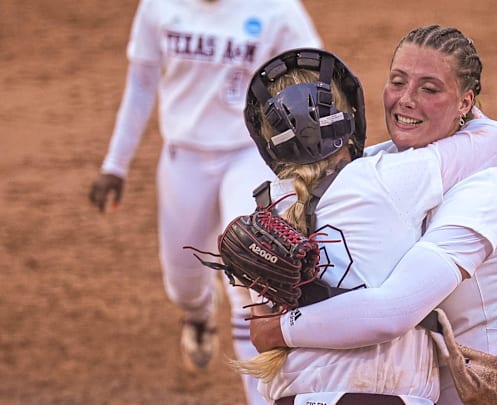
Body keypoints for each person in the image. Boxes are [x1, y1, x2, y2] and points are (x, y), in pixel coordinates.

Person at [248, 25, 497, 405]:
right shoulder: (381, 164)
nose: (406, 99)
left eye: (429, 89)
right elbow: (496, 138)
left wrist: (278, 329)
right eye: (397, 82)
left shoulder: (482, 195)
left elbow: (393, 309)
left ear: (465, 103)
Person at [87, 1, 321, 404]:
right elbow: (141, 83)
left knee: (250, 276)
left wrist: (309, 158)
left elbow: (314, 77)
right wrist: (115, 164)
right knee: (181, 285)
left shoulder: (276, 9)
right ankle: (197, 315)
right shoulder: (158, 7)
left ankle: (261, 397)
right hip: (184, 156)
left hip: (252, 152)